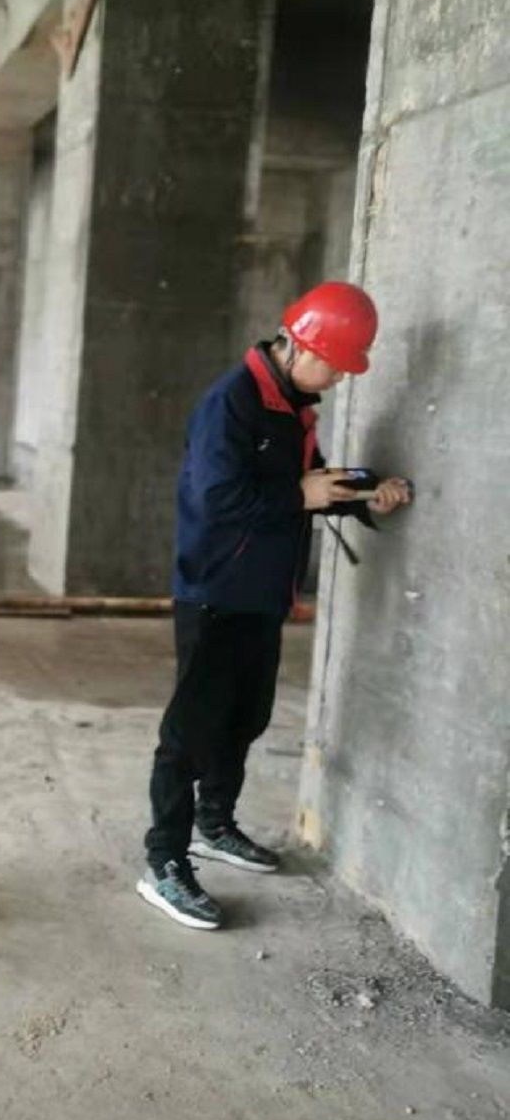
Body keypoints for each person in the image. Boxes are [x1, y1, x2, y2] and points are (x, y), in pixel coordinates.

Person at [137, 282, 411, 931]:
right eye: (335, 366)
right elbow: (218, 500)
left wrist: (367, 492)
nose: (340, 379)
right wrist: (300, 494)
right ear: (300, 346)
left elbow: (311, 483)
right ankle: (164, 862)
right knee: (189, 735)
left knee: (244, 719)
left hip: (262, 594)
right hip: (215, 592)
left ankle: (214, 823)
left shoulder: (292, 407)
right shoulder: (231, 403)